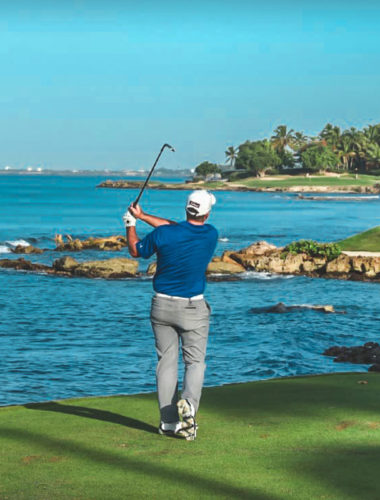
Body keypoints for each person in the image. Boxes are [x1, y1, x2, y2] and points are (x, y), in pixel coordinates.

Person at [123, 190, 218, 441]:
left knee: (166, 362)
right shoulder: (211, 234)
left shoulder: (165, 234)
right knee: (194, 362)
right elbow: (178, 228)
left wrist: (131, 224)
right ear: (207, 213)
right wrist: (142, 216)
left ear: (187, 208)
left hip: (162, 306)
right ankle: (189, 406)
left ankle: (168, 422)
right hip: (193, 308)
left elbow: (135, 250)